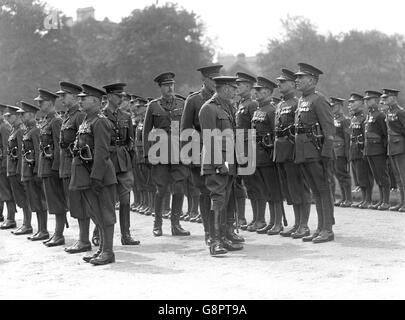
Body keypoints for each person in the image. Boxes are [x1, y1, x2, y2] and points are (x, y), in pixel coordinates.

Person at [70, 84, 117, 265]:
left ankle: (108, 251)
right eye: (80, 98)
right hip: (87, 174)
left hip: (100, 176)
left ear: (96, 101)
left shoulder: (100, 121)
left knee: (105, 214)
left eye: (84, 98)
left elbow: (102, 152)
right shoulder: (86, 121)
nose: (80, 100)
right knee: (95, 213)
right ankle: (101, 249)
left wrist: (96, 177)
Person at [199, 75, 244, 256]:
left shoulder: (227, 108)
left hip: (229, 162)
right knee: (217, 200)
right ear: (225, 88)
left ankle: (224, 236)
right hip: (217, 163)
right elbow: (210, 139)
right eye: (233, 88)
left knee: (225, 200)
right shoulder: (208, 108)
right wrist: (219, 163)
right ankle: (215, 241)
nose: (235, 91)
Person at [143, 72, 190, 237]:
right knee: (161, 189)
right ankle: (157, 224)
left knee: (179, 187)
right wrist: (147, 154)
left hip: (179, 151)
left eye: (172, 85)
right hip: (160, 151)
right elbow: (146, 131)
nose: (170, 88)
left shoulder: (182, 103)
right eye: (166, 85)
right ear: (161, 88)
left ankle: (176, 224)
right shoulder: (153, 106)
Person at [180, 64, 223, 243]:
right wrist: (187, 156)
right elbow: (185, 130)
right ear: (203, 80)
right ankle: (209, 232)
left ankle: (222, 231)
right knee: (205, 193)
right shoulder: (194, 100)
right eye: (212, 79)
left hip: (220, 151)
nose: (215, 83)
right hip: (199, 153)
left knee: (222, 192)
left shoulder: (221, 99)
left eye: (217, 79)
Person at [294, 63, 335, 244]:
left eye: (300, 78)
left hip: (316, 152)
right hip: (304, 152)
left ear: (311, 80)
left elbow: (329, 130)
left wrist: (325, 155)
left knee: (322, 190)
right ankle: (320, 228)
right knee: (315, 191)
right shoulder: (303, 100)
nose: (297, 80)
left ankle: (327, 229)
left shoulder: (319, 100)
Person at [272, 69, 311, 239]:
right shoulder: (280, 105)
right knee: (290, 189)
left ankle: (304, 224)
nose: (279, 85)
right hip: (282, 152)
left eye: (282, 82)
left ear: (292, 84)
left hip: (294, 151)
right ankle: (297, 223)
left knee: (300, 188)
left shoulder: (296, 103)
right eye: (279, 82)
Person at [56, 81, 92, 254]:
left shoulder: (78, 116)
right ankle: (83, 238)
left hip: (76, 166)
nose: (61, 99)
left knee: (80, 203)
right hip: (66, 166)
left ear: (74, 96)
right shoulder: (67, 116)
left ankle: (84, 240)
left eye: (64, 95)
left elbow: (83, 143)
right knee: (74, 203)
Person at [103, 83, 140, 246]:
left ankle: (126, 234)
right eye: (118, 96)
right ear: (110, 97)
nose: (121, 99)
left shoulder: (125, 116)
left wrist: (130, 163)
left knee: (125, 201)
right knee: (106, 202)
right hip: (107, 161)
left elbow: (130, 142)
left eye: (122, 96)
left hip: (123, 163)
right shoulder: (100, 115)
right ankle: (100, 233)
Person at [250, 76, 285, 235]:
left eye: (259, 90)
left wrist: (274, 154)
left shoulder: (272, 110)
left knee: (274, 189)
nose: (256, 92)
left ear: (269, 92)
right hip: (258, 155)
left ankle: (278, 222)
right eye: (255, 90)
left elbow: (276, 133)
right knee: (266, 190)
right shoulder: (258, 109)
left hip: (268, 155)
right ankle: (271, 221)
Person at [34, 89, 68, 247]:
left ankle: (59, 234)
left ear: (50, 102)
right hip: (45, 167)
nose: (39, 104)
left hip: (52, 168)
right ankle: (57, 233)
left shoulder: (56, 121)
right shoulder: (47, 120)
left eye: (41, 102)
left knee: (56, 201)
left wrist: (56, 169)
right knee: (52, 201)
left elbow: (58, 146)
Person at [18, 101, 49, 241]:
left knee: (40, 201)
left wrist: (37, 171)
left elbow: (38, 151)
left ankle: (44, 230)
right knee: (34, 201)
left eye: (23, 114)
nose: (21, 117)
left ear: (31, 115)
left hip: (33, 171)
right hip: (28, 171)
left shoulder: (36, 131)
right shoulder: (27, 131)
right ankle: (40, 229)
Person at [235, 72, 258, 231]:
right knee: (239, 184)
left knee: (253, 185)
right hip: (238, 148)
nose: (237, 87)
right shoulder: (240, 104)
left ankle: (258, 218)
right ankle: (241, 217)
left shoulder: (252, 105)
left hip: (248, 148)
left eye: (240, 85)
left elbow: (254, 129)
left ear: (249, 87)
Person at [5, 105, 33, 235]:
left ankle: (27, 224)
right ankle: (25, 224)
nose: (7, 118)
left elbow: (22, 153)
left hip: (17, 169)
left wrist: (19, 171)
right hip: (12, 169)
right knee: (20, 198)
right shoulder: (14, 130)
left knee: (24, 197)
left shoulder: (20, 131)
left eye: (9, 116)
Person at [362, 90, 390, 210]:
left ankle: (386, 201)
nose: (367, 102)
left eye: (369, 99)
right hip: (370, 149)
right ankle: (381, 200)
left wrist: (385, 151)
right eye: (366, 100)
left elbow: (385, 135)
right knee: (377, 176)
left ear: (377, 101)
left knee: (383, 175)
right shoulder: (369, 115)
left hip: (378, 150)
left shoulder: (380, 116)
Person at [348, 93, 374, 209]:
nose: (350, 104)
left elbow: (365, 135)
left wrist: (364, 149)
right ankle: (364, 199)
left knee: (364, 175)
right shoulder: (353, 117)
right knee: (359, 176)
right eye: (350, 102)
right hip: (354, 149)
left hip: (361, 149)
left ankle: (368, 199)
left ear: (361, 103)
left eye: (353, 102)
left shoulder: (364, 117)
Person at [382, 89, 405, 212]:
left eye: (387, 97)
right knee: (397, 177)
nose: (384, 100)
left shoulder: (400, 112)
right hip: (392, 147)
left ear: (394, 98)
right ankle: (402, 203)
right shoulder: (389, 112)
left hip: (400, 146)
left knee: (403, 176)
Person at [330, 97, 352, 207]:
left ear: (339, 106)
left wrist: (348, 154)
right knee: (337, 175)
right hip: (333, 150)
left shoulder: (345, 120)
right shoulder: (333, 119)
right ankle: (343, 198)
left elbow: (347, 138)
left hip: (341, 151)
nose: (332, 108)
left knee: (343, 175)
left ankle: (348, 198)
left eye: (333, 106)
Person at [0, 104, 17, 229]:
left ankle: (11, 218)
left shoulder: (4, 127)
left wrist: (5, 166)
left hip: (3, 165)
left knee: (7, 192)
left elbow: (7, 148)